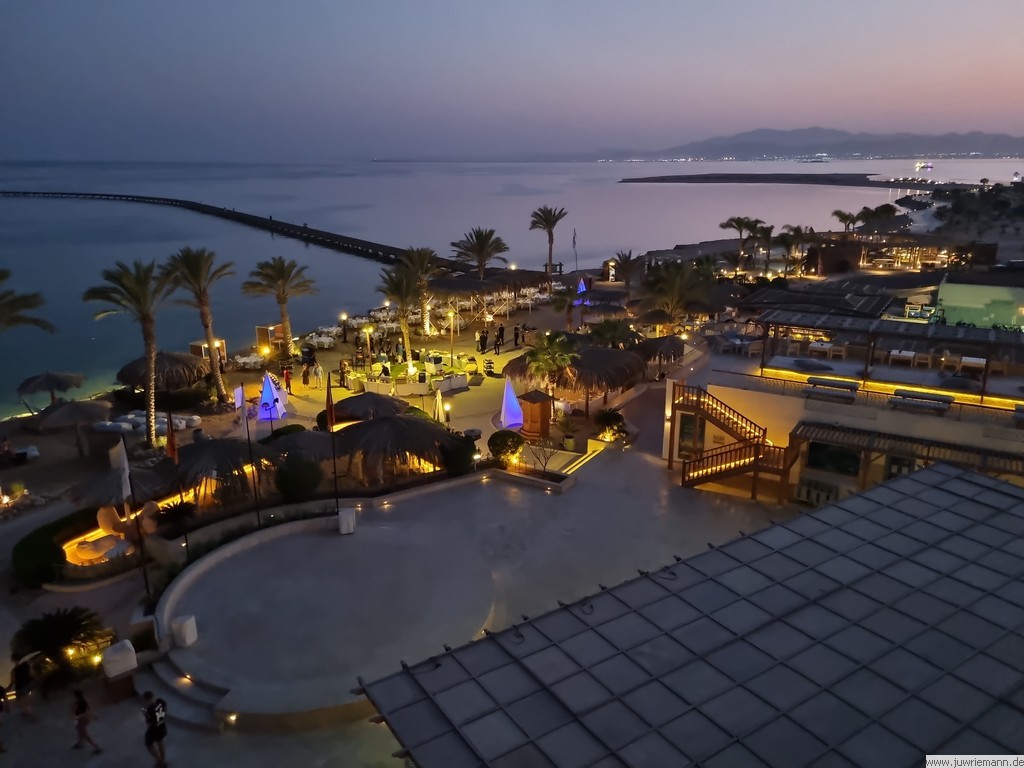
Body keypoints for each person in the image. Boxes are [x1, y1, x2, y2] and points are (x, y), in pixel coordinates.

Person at [142, 691, 168, 767]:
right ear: (153, 696)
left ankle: (159, 761)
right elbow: (165, 710)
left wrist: (145, 715)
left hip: (154, 729)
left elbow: (149, 724)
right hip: (162, 726)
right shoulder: (161, 702)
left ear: (146, 699)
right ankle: (163, 760)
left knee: (149, 744)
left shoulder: (148, 710)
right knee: (160, 742)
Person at [71, 689, 101, 754]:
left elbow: (77, 711)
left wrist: (93, 716)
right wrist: (93, 717)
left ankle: (96, 747)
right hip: (81, 719)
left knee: (83, 734)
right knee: (80, 732)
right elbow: (88, 710)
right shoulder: (82, 701)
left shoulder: (79, 703)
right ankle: (80, 744)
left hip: (81, 719)